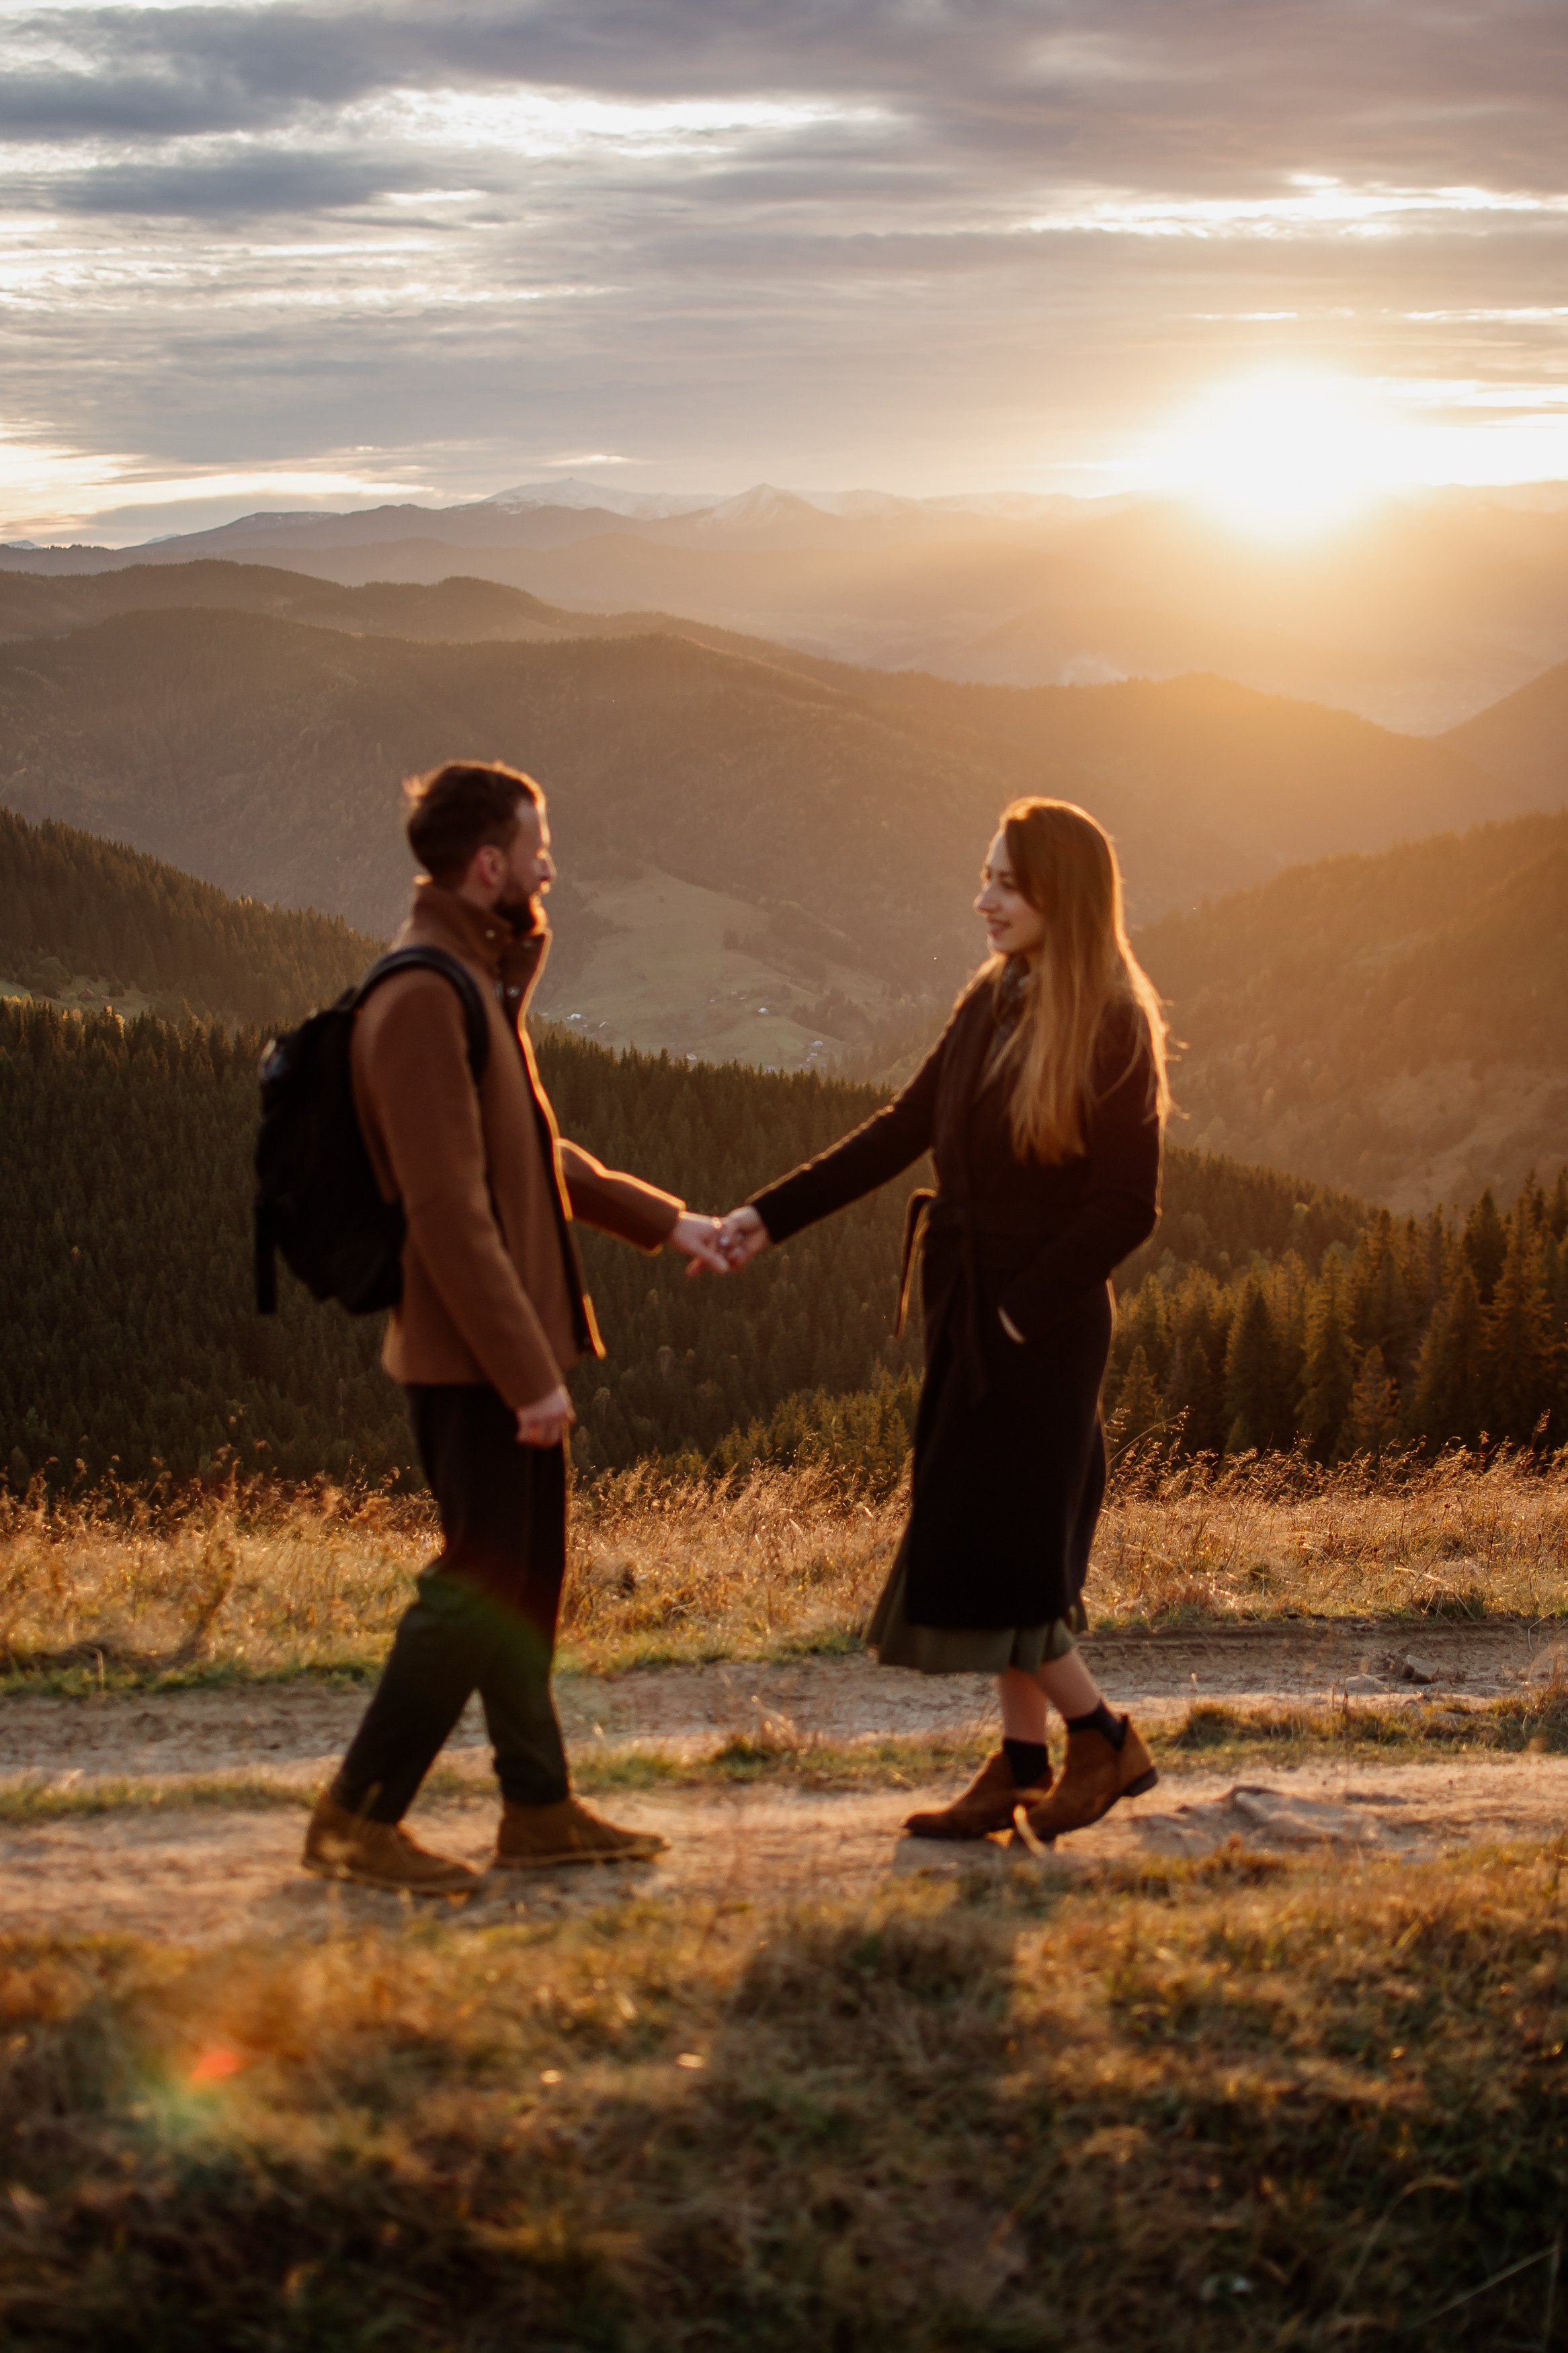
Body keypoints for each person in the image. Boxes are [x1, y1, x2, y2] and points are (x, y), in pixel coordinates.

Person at [304, 759, 731, 1895]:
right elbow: (446, 1211)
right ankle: (357, 1816)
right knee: (471, 1588)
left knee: (523, 1585)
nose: (552, 863)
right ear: (487, 863)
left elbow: (532, 1163)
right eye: (537, 844)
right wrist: (526, 1375)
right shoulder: (418, 998)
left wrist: (668, 1222)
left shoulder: (473, 983)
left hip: (509, 1355)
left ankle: (537, 1808)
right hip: (474, 1365)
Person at [718, 798, 1167, 1846]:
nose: (983, 900)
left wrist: (1016, 1315)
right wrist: (764, 1217)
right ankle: (1018, 1766)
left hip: (1035, 1329)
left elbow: (1127, 1207)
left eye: (1005, 884)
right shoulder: (991, 999)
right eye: (985, 879)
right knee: (982, 1541)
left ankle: (1102, 1738)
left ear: (1063, 891)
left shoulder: (1111, 1020)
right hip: (968, 1312)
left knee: (1001, 1550)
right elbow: (901, 1129)